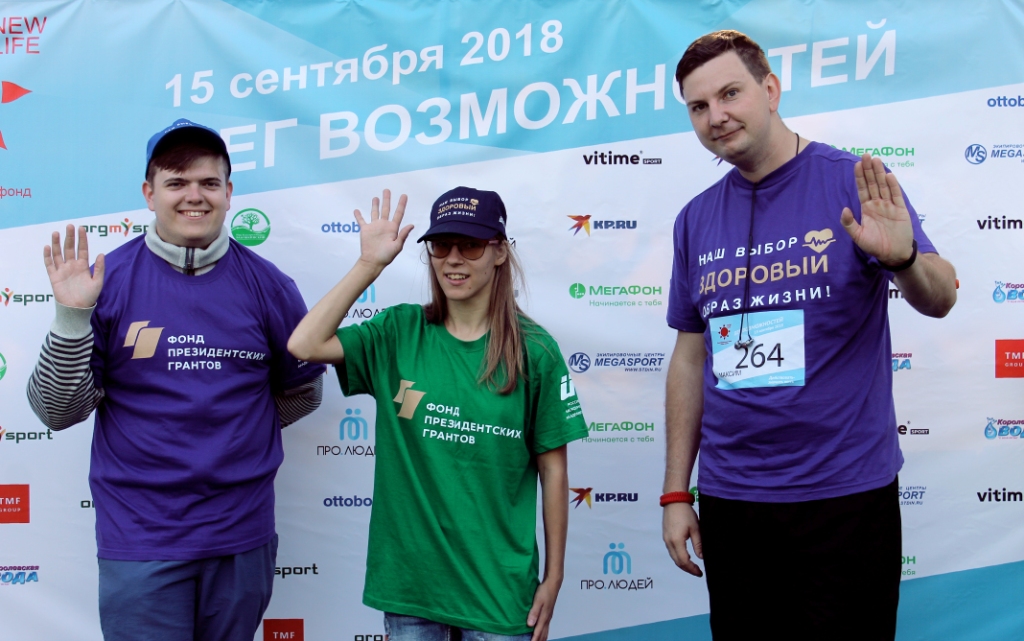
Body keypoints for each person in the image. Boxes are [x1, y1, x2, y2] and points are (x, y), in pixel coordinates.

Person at [659, 31, 957, 640]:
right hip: (733, 501)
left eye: (730, 94)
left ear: (770, 90)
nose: (716, 117)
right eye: (698, 106)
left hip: (845, 496)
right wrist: (675, 493)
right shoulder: (694, 218)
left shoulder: (853, 182)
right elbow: (690, 358)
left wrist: (903, 260)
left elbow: (941, 297)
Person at [26, 118, 326, 641]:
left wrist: (237, 432)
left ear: (229, 193)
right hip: (141, 537)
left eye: (209, 182)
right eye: (176, 182)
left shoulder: (270, 287)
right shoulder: (106, 283)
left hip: (240, 536)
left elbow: (303, 391)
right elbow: (56, 412)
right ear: (149, 193)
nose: (194, 196)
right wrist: (72, 317)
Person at [288, 187, 586, 641]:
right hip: (412, 587)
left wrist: (555, 576)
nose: (453, 259)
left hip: (498, 592)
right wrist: (369, 264)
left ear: (499, 252)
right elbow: (304, 344)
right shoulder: (399, 331)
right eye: (441, 245)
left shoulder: (535, 351)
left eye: (470, 245)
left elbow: (554, 470)